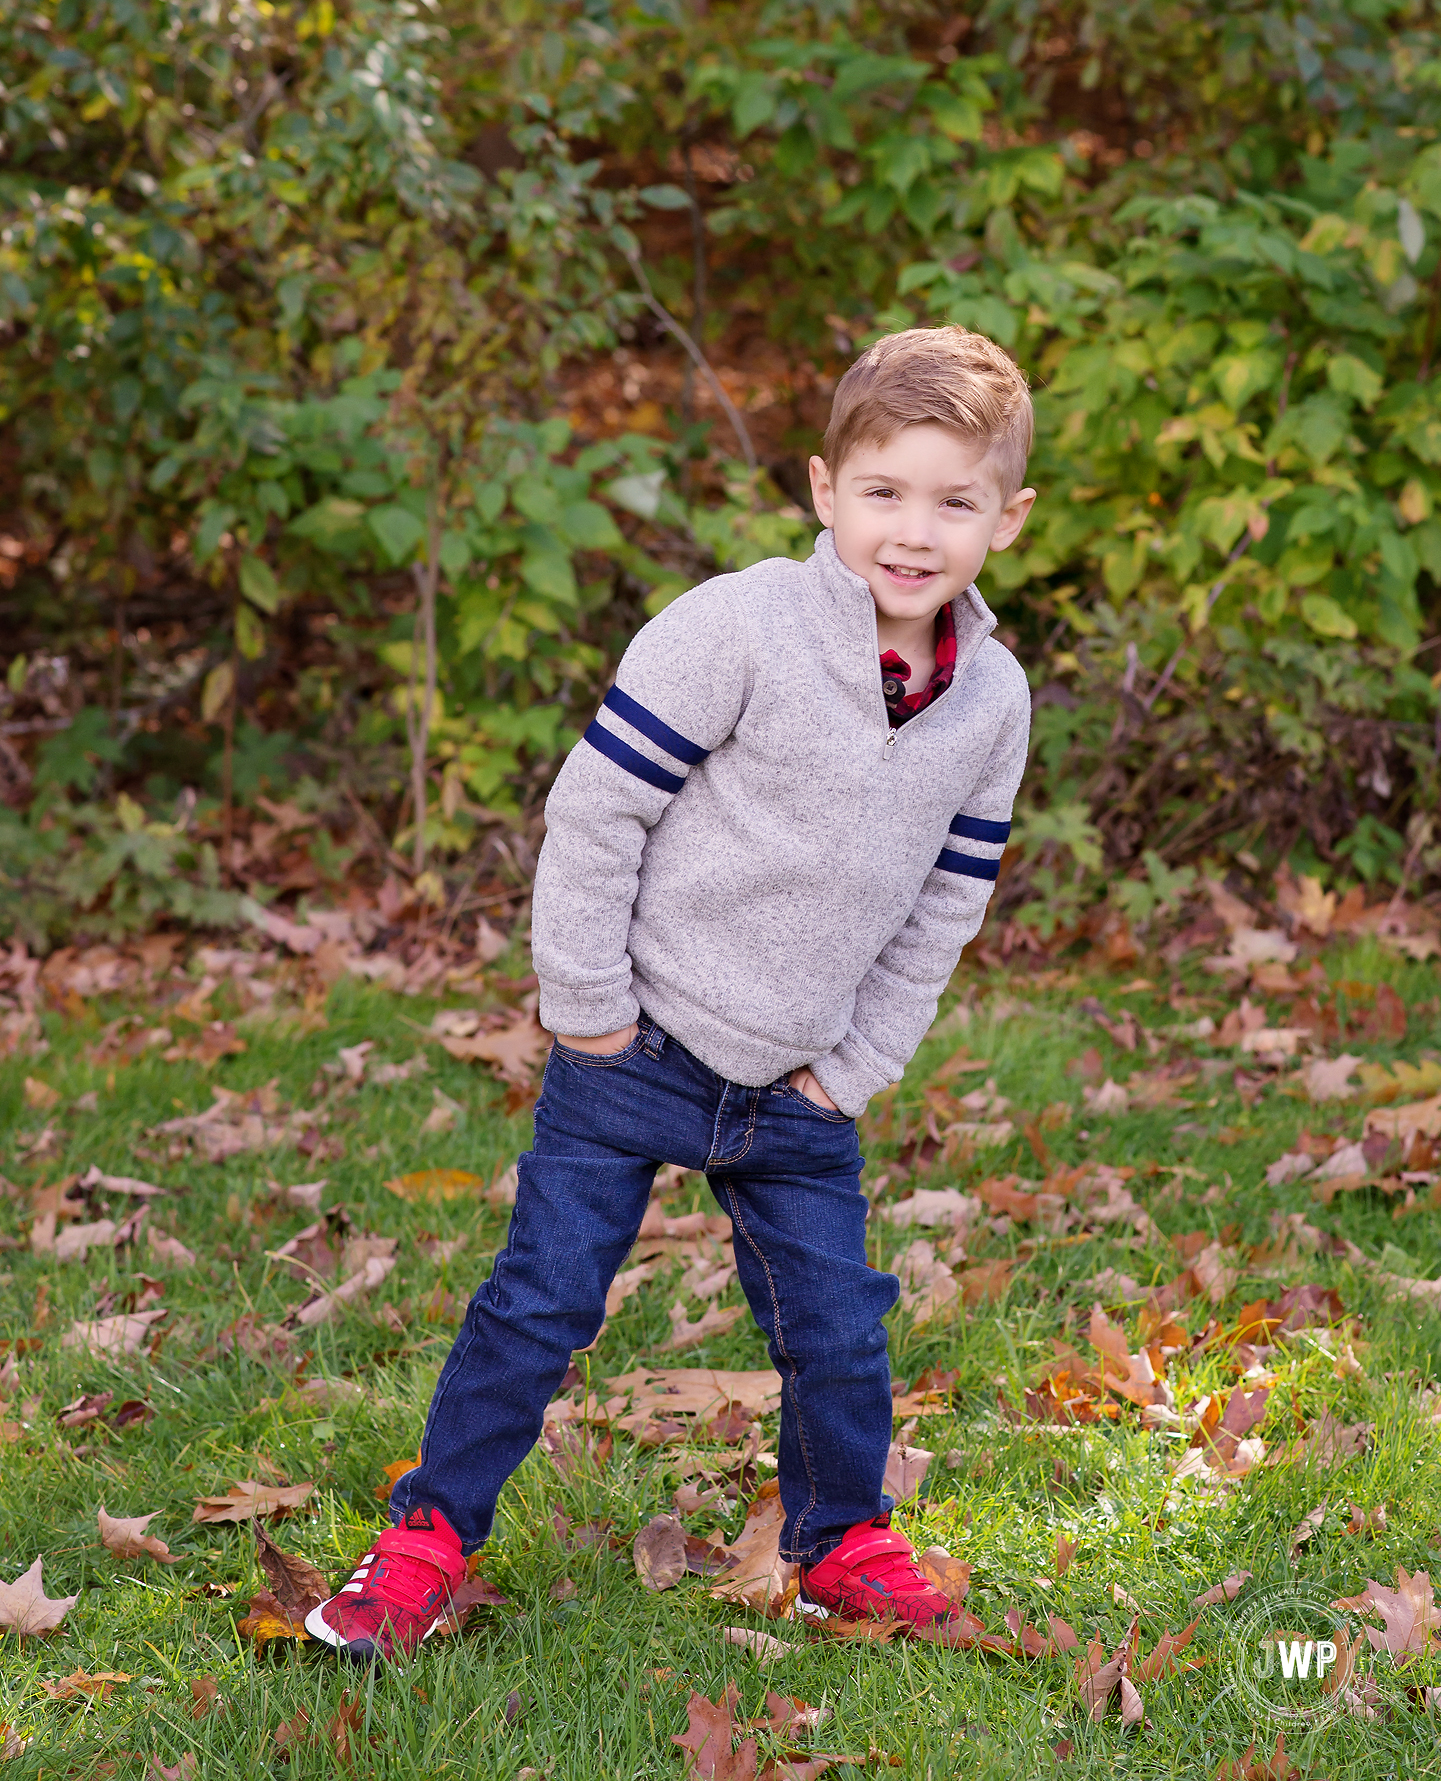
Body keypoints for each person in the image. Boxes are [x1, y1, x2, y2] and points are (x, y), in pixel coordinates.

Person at [307, 324, 1037, 1663]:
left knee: (835, 1325)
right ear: (825, 489)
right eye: (884, 491)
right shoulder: (734, 628)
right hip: (634, 1047)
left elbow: (947, 898)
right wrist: (583, 999)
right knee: (540, 1302)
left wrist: (857, 1065)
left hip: (797, 1083)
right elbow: (596, 811)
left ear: (1009, 516)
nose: (914, 530)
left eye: (955, 500)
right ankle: (425, 1541)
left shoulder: (988, 700)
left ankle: (841, 1542)